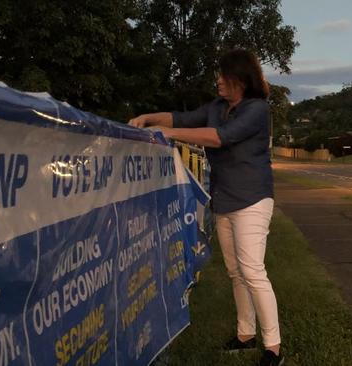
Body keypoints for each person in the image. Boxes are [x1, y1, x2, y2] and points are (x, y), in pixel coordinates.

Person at [129, 49, 283, 366]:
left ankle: (273, 349)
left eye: (223, 76)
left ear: (240, 79)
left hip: (253, 199)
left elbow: (219, 137)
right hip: (224, 200)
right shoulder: (216, 106)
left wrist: (167, 134)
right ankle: (245, 335)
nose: (218, 81)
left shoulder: (257, 109)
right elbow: (182, 118)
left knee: (253, 271)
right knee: (235, 272)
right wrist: (149, 118)